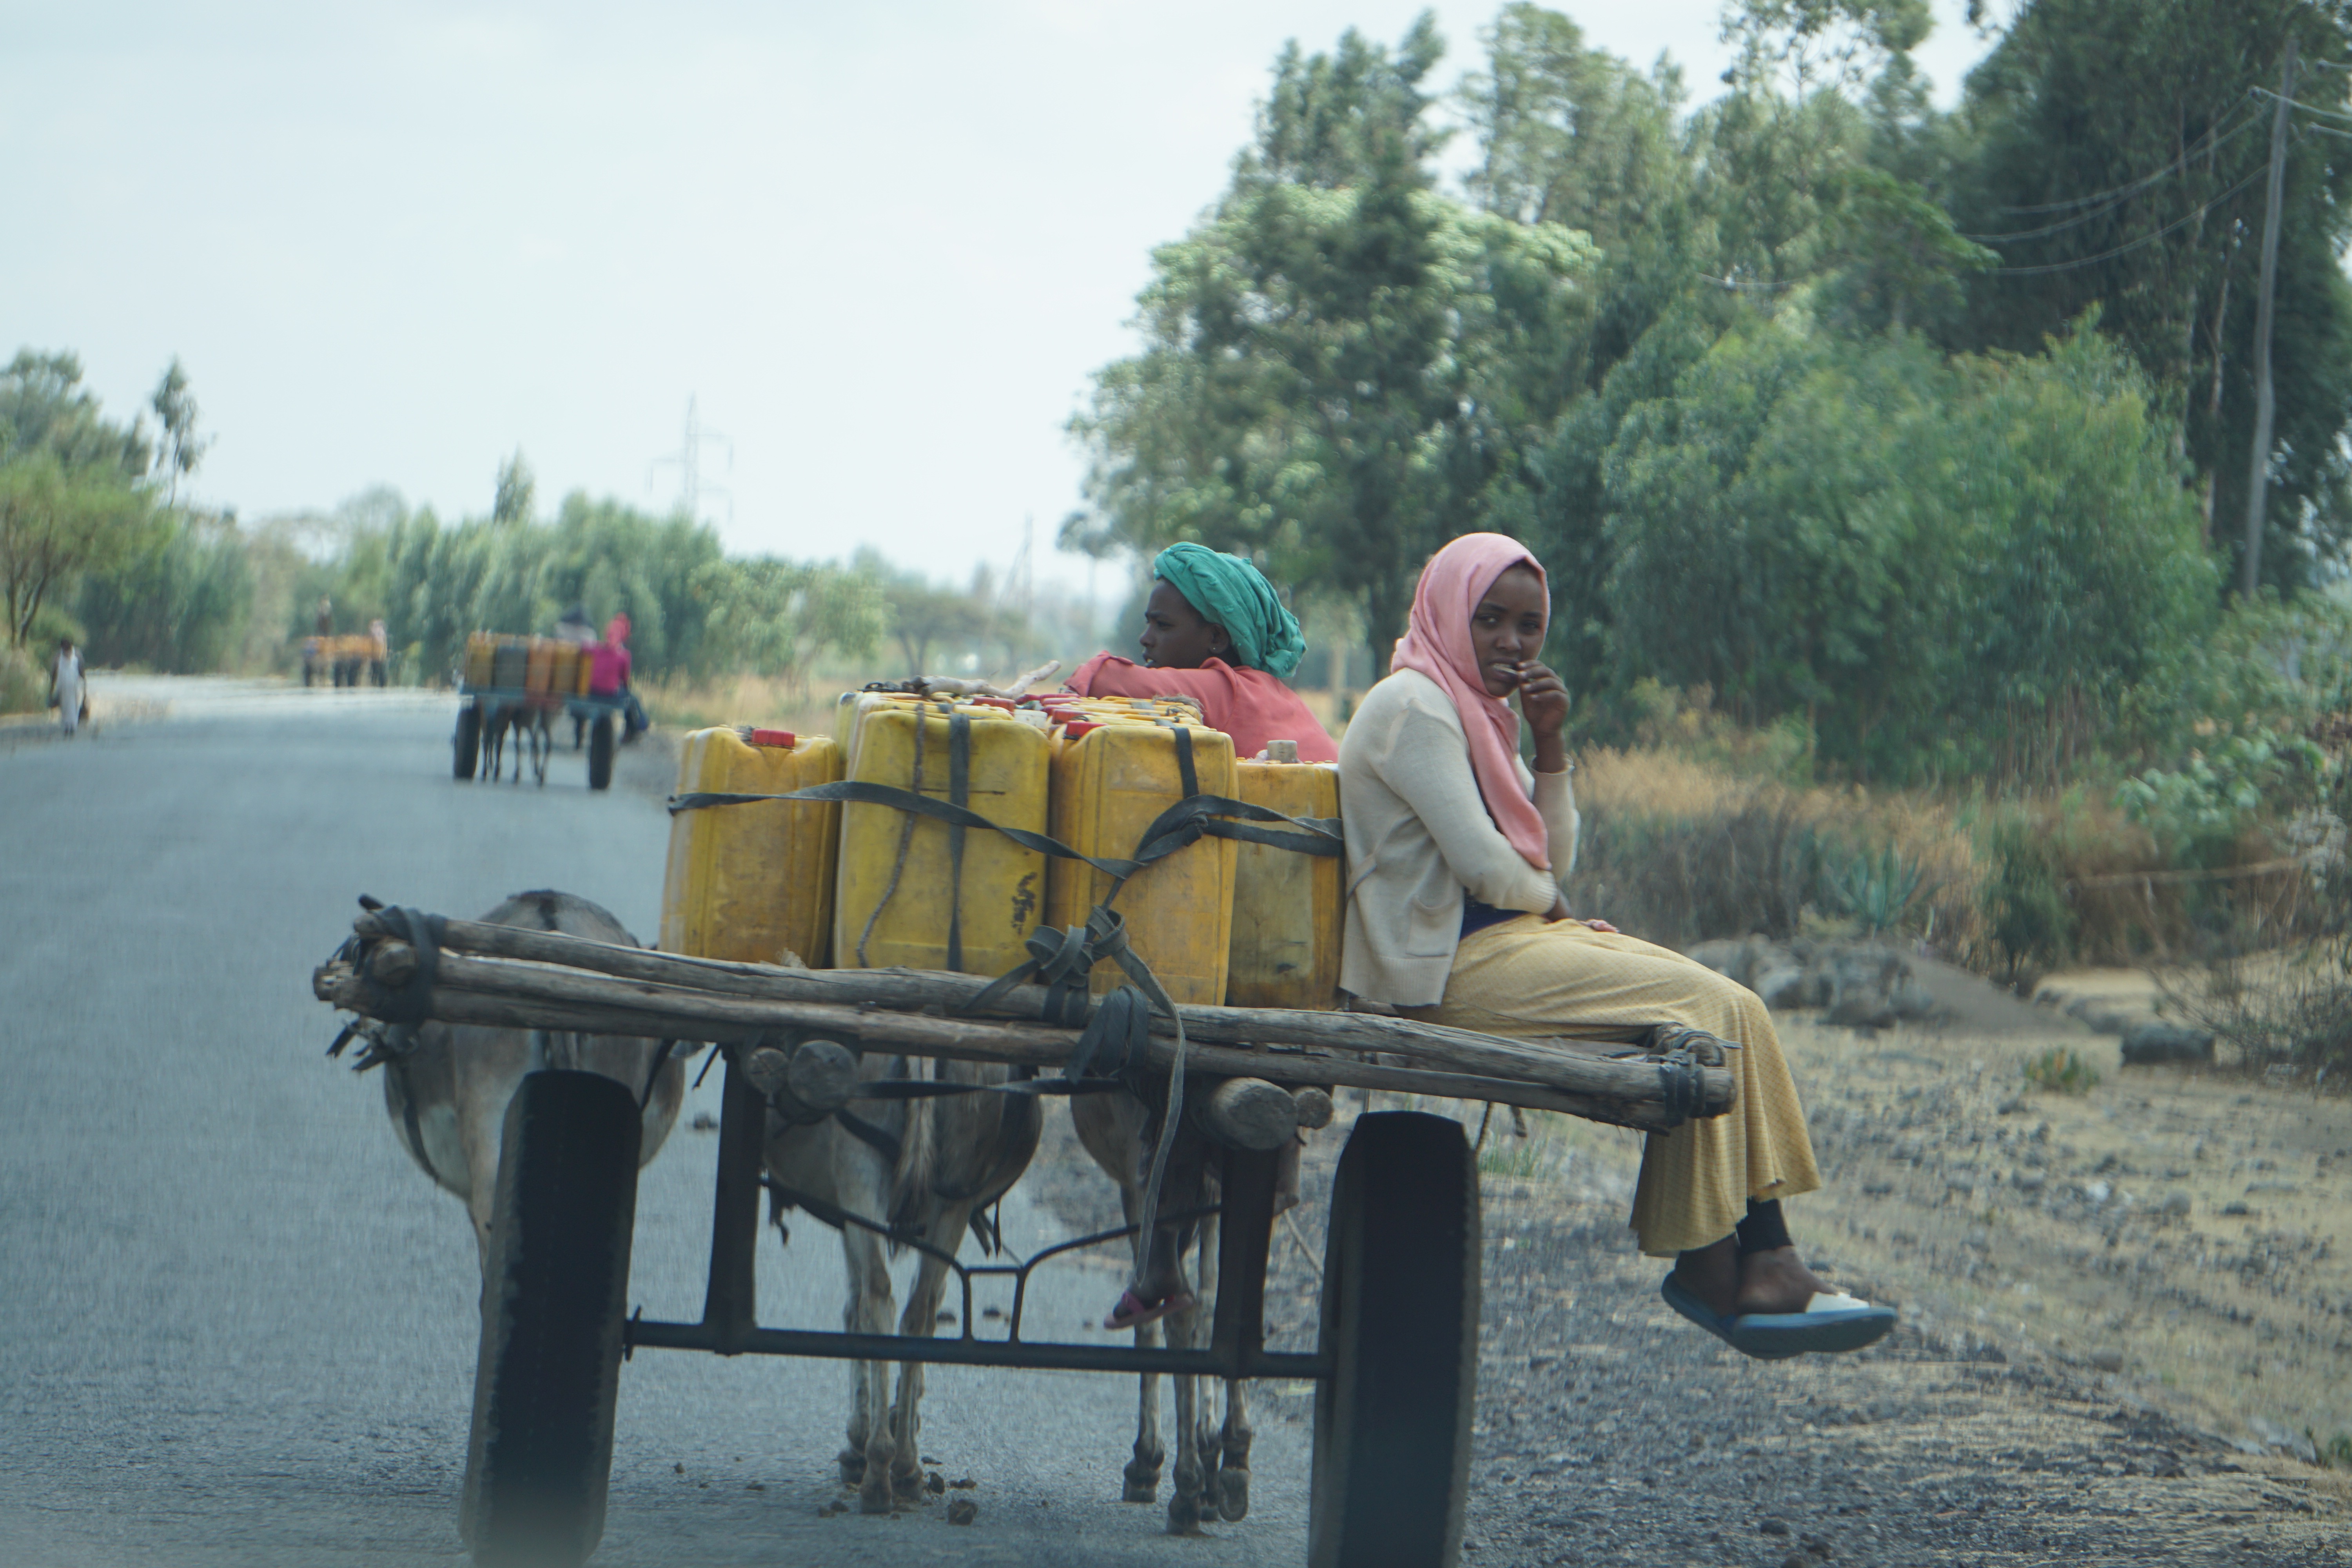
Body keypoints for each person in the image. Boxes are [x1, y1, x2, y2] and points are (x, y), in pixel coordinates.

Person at [1337, 532, 1895, 1360]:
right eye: (1490, 620)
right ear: (1447, 612)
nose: (1511, 642)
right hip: (1442, 968)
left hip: (1508, 946)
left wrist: (1550, 744)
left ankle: (1749, 1259)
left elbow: (1551, 857)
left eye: (1529, 626)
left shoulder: (1479, 715)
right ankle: (1733, 1262)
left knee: (1732, 1005)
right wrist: (1554, 901)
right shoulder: (1413, 706)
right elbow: (1491, 868)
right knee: (1705, 1005)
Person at [1065, 543, 1336, 762]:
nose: (1145, 639)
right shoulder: (1277, 696)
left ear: (1217, 638)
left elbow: (1105, 678)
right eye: (1148, 625)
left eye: (1163, 626)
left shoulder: (1227, 690)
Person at [49, 637, 83, 739]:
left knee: (74, 706)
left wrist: (84, 690)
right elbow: (54, 673)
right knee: (64, 707)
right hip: (63, 687)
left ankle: (72, 726)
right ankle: (67, 727)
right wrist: (52, 688)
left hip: (74, 686)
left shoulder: (76, 656)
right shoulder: (58, 657)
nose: (67, 652)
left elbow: (82, 672)